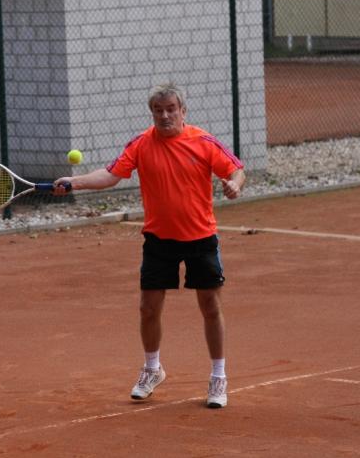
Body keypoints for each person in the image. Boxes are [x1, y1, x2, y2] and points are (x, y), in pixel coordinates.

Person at [53, 83, 245, 408]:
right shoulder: (141, 144)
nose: (165, 115)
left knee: (210, 307)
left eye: (171, 109)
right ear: (152, 113)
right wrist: (75, 182)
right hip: (158, 239)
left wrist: (235, 186)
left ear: (183, 111)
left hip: (200, 237)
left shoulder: (203, 142)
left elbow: (236, 170)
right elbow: (111, 175)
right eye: (158, 110)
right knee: (148, 308)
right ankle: (152, 369)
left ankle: (218, 377)